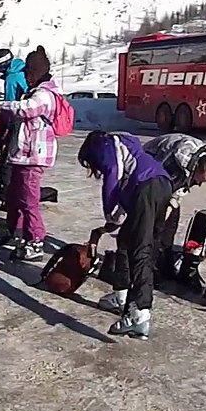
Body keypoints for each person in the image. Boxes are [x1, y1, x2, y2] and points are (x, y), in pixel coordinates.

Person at [80, 130, 173, 339]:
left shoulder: (105, 145)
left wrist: (109, 213)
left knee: (140, 251)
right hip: (162, 185)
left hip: (146, 188)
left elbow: (113, 174)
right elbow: (125, 189)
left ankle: (139, 314)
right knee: (129, 242)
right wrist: (111, 224)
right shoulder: (129, 147)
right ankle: (123, 296)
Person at [0, 46, 64, 262]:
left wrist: (0, 105)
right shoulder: (35, 90)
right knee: (14, 195)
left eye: (27, 73)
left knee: (29, 199)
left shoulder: (45, 94)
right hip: (23, 153)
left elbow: (26, 109)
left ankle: (35, 241)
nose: (24, 77)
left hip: (34, 156)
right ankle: (15, 231)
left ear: (34, 73)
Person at [141, 133, 206, 284]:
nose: (198, 184)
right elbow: (157, 178)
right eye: (198, 180)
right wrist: (161, 213)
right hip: (151, 168)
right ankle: (150, 269)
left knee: (171, 223)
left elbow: (181, 189)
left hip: (170, 177)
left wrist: (171, 205)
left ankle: (165, 264)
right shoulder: (175, 160)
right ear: (196, 169)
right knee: (156, 227)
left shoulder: (204, 159)